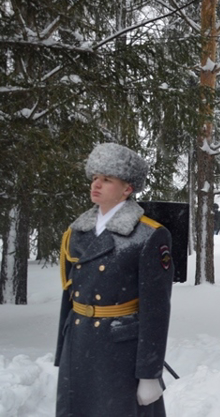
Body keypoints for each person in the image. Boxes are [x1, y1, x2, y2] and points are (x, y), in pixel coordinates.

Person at [55, 143, 173, 417]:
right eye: (95, 177)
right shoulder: (76, 232)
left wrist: (149, 374)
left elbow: (156, 310)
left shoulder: (148, 235)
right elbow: (70, 296)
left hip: (120, 352)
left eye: (106, 179)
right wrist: (63, 351)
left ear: (127, 189)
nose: (96, 185)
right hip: (79, 341)